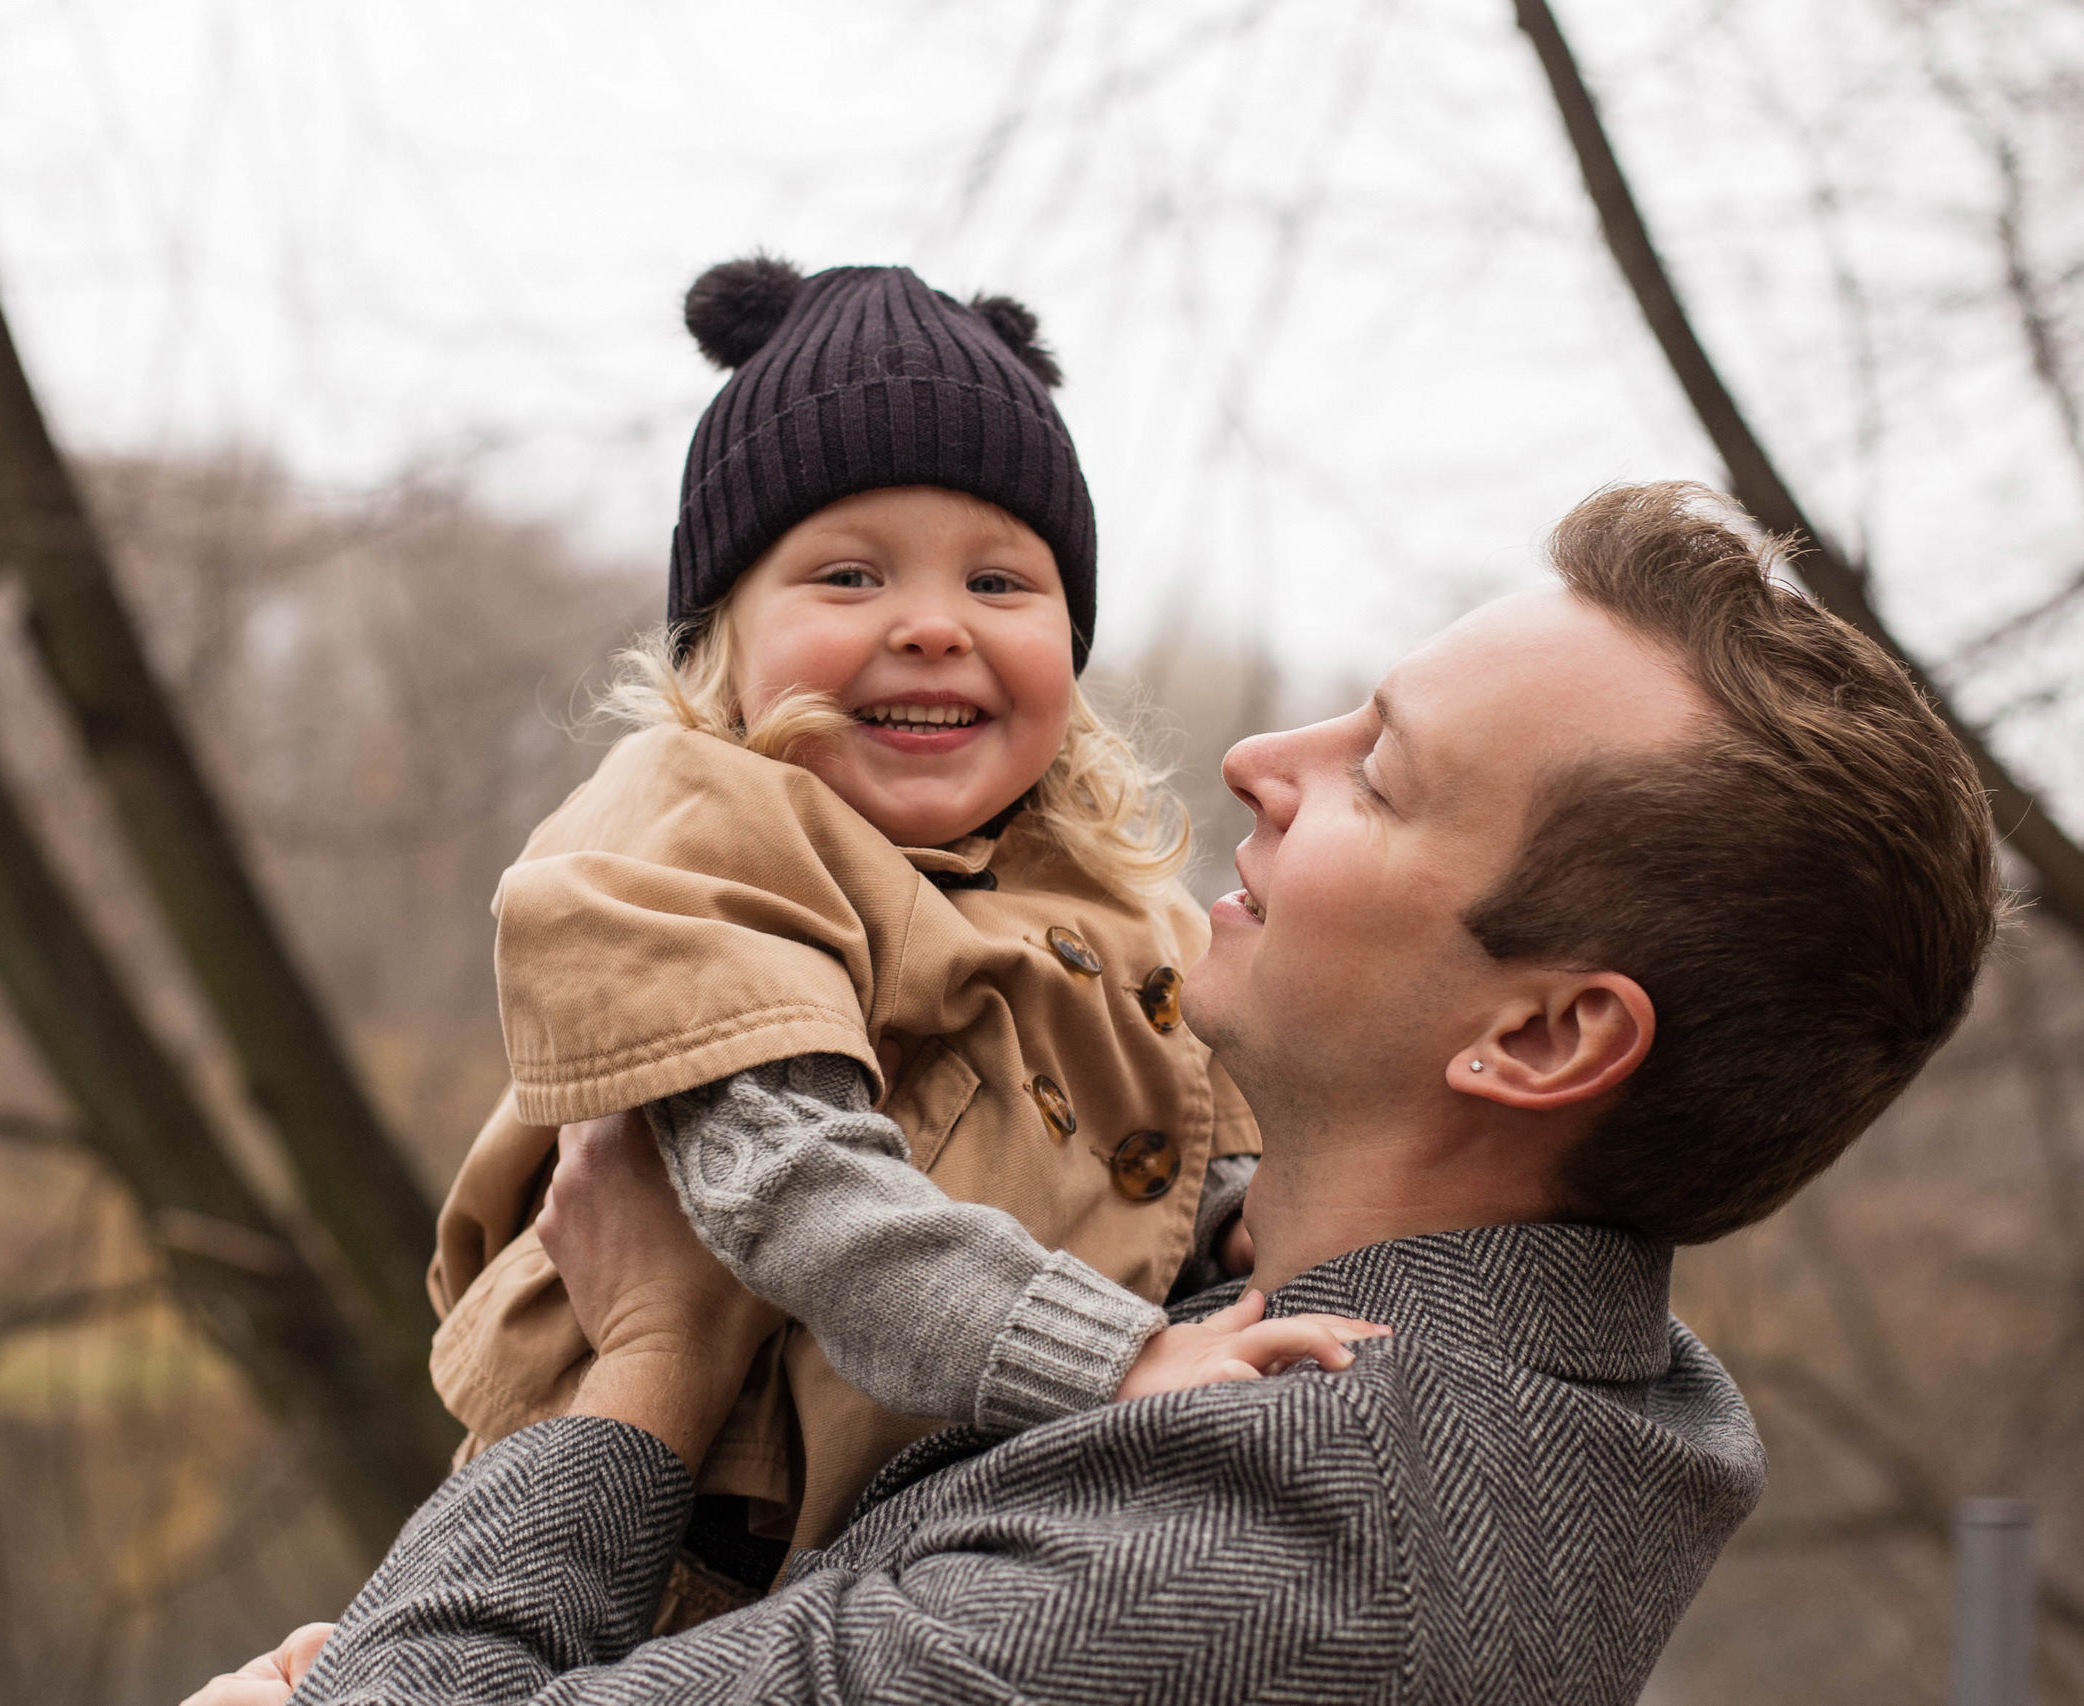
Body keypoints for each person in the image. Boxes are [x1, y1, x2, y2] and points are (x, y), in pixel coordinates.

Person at [187, 480, 2000, 1705]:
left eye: (1381, 772)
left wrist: (653, 1364)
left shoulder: (1302, 1544)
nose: (1256, 763)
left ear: (1538, 1041)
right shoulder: (1267, 1291)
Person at [431, 255, 1368, 1619]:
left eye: (1000, 583)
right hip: (675, 1567)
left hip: (957, 1540)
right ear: (720, 637)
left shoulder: (1127, 904)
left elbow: (1190, 1171)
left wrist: (1249, 1246)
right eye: (850, 574)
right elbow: (795, 1189)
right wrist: (1119, 1363)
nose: (931, 625)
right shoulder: (686, 833)